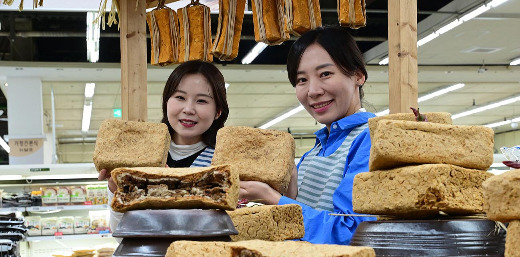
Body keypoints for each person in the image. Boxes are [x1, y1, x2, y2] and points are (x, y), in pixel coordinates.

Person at [239, 26, 376, 245]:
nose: (313, 91)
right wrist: (289, 192)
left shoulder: (371, 139)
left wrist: (272, 198)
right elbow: (302, 224)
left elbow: (352, 232)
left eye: (325, 74)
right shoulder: (314, 152)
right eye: (302, 80)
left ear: (358, 75)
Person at [99, 60, 229, 231]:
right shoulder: (142, 158)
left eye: (202, 101)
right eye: (180, 97)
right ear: (166, 102)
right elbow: (120, 232)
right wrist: (116, 190)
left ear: (218, 111)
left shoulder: (224, 164)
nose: (189, 109)